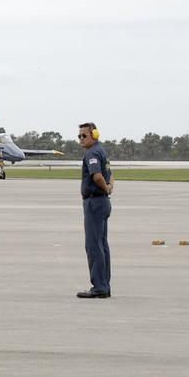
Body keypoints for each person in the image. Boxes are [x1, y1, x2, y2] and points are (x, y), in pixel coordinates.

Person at [76, 122, 113, 299]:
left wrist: (105, 188)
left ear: (94, 135)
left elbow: (97, 176)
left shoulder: (91, 153)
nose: (81, 139)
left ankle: (99, 286)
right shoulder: (101, 151)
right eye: (79, 136)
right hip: (103, 202)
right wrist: (109, 186)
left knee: (93, 245)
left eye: (84, 135)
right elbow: (110, 174)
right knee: (102, 245)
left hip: (94, 202)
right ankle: (104, 285)